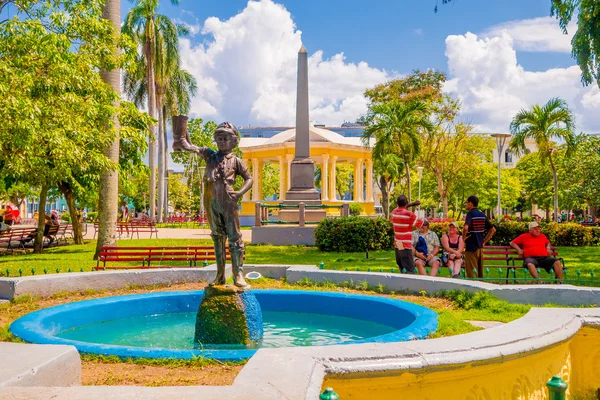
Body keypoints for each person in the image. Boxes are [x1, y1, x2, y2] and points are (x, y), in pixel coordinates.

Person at [173, 118, 253, 288]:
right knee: (217, 237)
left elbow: (249, 179)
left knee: (235, 238)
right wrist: (180, 131)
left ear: (234, 141)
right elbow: (188, 146)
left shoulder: (236, 161)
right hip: (211, 201)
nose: (222, 142)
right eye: (219, 138)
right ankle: (220, 275)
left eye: (226, 138)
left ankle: (238, 274)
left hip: (229, 201)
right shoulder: (209, 155)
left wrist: (239, 193)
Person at [462, 195, 496, 278]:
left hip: (471, 246)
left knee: (472, 272)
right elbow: (493, 230)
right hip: (480, 247)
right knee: (480, 272)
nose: (465, 204)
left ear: (471, 203)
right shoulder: (482, 215)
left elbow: (466, 227)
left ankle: (473, 289)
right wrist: (484, 242)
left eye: (466, 202)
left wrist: (463, 238)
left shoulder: (470, 214)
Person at [390, 195, 420, 274]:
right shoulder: (409, 214)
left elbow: (398, 208)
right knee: (409, 267)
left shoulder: (394, 213)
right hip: (406, 245)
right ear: (406, 203)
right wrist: (414, 204)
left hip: (398, 243)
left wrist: (412, 204)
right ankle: (410, 285)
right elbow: (420, 224)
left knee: (402, 266)